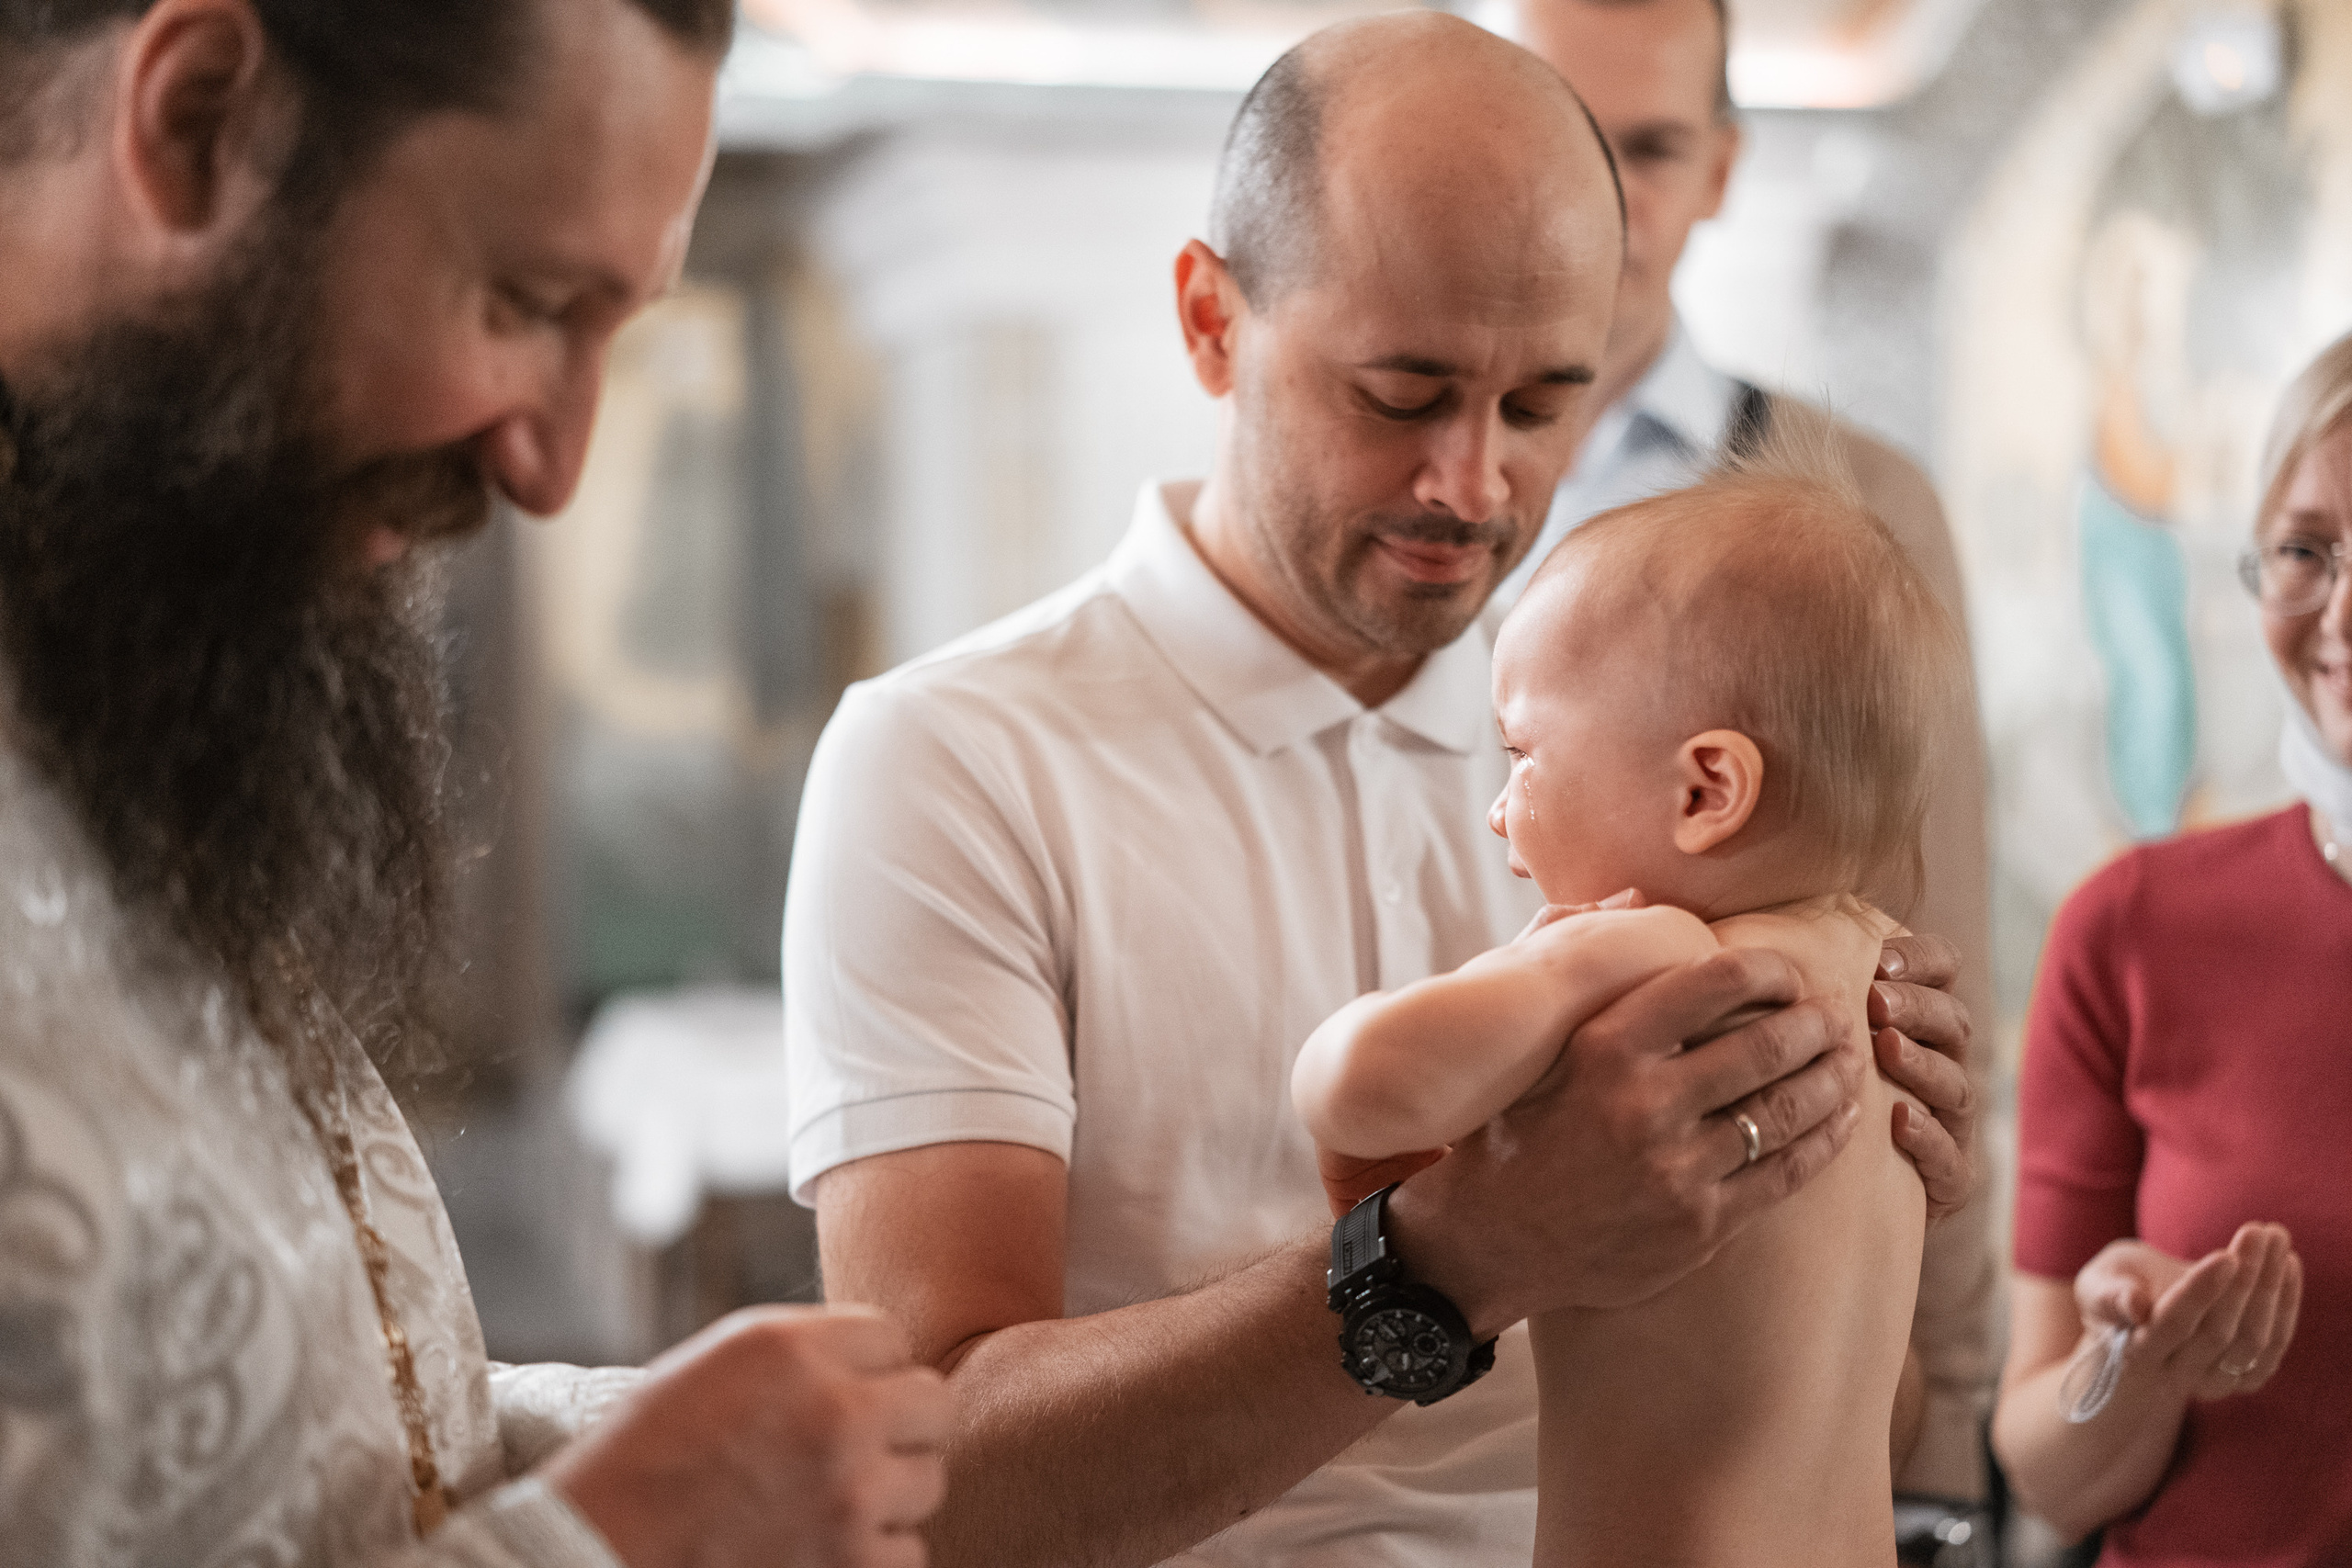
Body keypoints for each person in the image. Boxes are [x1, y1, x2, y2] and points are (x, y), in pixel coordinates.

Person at [784, 15, 1981, 1567]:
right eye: (1402, 394)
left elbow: (1850, 1432)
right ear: (1211, 320)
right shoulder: (949, 761)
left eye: (1546, 403)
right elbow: (928, 1483)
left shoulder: (1679, 778)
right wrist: (1443, 1263)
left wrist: (1845, 1185)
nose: (1475, 486)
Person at [0, 3, 950, 1565]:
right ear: (196, 126)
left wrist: (655, 1447)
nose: (553, 470)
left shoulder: (111, 621)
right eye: (522, 300)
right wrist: (614, 1537)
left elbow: (236, 1418)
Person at [1294, 450, 1963, 1565]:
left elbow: (1357, 1086)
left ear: (1705, 791)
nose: (1501, 812)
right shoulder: (1888, 974)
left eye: (1522, 754)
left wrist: (1534, 973)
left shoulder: (1652, 956)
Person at [1506, 0, 2001, 1502]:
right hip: (1440, 1380)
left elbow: (1937, 963)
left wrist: (1947, 1418)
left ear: (1722, 166)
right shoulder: (1421, 501)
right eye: (1561, 144)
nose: (1608, 202)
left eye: (1651, 149)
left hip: (1768, 1365)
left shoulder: (1859, 509)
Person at [1991, 334, 2351, 1563]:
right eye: (2307, 550)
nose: (2342, 613)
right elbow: (2047, 1464)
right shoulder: (2138, 926)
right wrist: (2131, 1365)